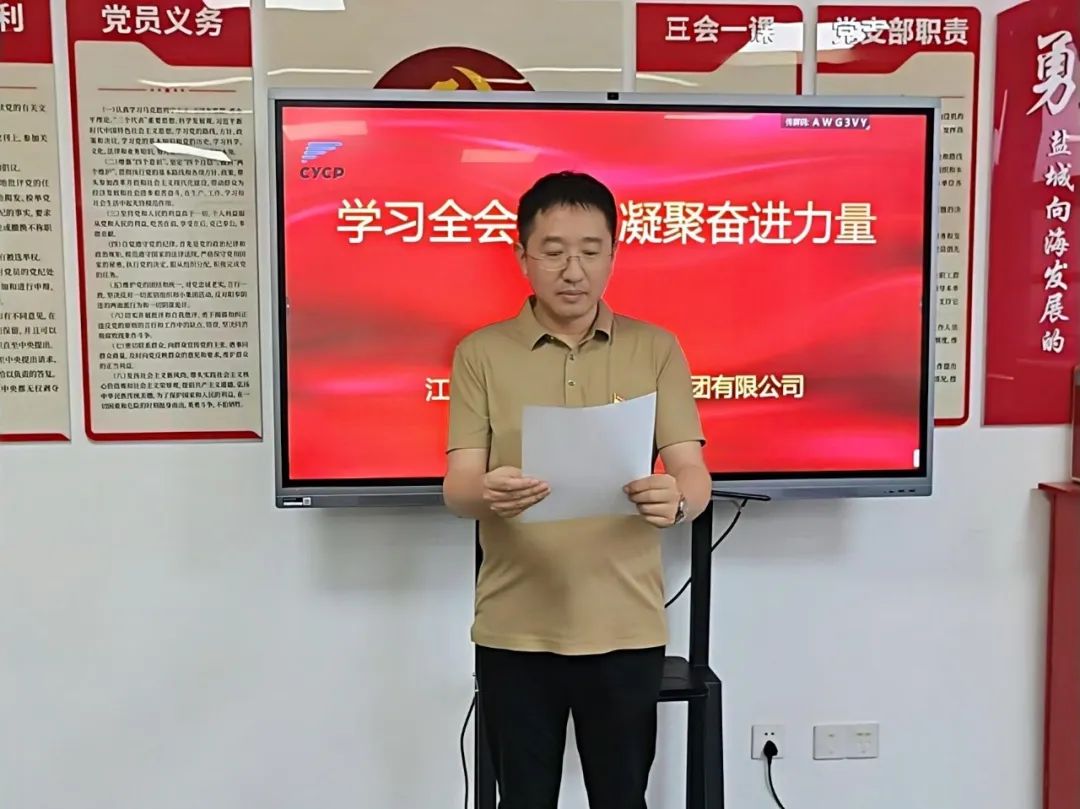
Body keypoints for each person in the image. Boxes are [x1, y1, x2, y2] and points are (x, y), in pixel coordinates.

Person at [442, 171, 712, 809]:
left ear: (613, 255)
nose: (573, 271)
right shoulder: (481, 353)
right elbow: (458, 486)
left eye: (591, 251)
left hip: (626, 630)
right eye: (554, 251)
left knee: (621, 799)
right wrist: (488, 493)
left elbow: (693, 472)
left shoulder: (655, 348)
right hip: (515, 630)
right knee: (522, 800)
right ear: (522, 256)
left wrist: (677, 499)